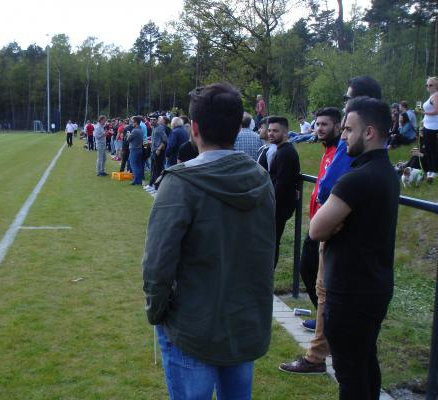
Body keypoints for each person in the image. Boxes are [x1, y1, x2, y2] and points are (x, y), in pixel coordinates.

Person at [143, 82, 275, 400]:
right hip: (243, 321)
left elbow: (157, 264)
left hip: (193, 326)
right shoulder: (261, 178)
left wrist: (157, 311)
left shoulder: (180, 182)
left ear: (195, 128)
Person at [310, 96, 399, 399]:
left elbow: (316, 229)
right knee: (365, 365)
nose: (344, 135)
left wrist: (332, 224)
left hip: (349, 291)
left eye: (348, 129)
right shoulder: (387, 173)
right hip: (376, 286)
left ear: (369, 132)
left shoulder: (356, 180)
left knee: (349, 375)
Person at [279, 107, 342, 374]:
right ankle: (323, 326)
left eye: (325, 124)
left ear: (338, 126)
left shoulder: (342, 152)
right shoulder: (328, 151)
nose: (319, 129)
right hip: (319, 224)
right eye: (316, 124)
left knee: (321, 283)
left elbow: (328, 187)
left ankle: (323, 337)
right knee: (312, 276)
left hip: (327, 229)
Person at [265, 116, 300, 268]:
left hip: (279, 207)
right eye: (269, 130)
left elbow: (282, 185)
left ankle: (268, 276)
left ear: (285, 133)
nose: (271, 134)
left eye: (275, 131)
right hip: (277, 205)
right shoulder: (281, 150)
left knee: (272, 243)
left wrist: (270, 205)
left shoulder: (285, 153)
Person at [422, 76, 438, 180]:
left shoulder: (435, 96)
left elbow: (436, 111)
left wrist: (424, 113)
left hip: (433, 127)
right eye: (426, 85)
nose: (428, 86)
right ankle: (430, 169)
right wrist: (423, 119)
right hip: (427, 126)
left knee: (432, 149)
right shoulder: (432, 96)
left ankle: (434, 171)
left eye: (430, 85)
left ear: (436, 86)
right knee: (428, 149)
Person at [148, 116, 167, 187]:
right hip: (153, 150)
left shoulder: (160, 128)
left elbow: (165, 140)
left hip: (158, 152)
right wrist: (150, 142)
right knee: (152, 169)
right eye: (151, 120)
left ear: (157, 120)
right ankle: (151, 184)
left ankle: (157, 187)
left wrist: (159, 149)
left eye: (153, 120)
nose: (152, 121)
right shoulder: (153, 127)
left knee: (158, 170)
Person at [128, 116, 144, 185]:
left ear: (136, 122)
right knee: (138, 165)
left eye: (133, 122)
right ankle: (139, 180)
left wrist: (128, 135)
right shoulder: (141, 129)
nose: (132, 123)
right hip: (139, 149)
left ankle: (136, 180)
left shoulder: (135, 130)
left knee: (133, 165)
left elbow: (128, 140)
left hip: (134, 149)